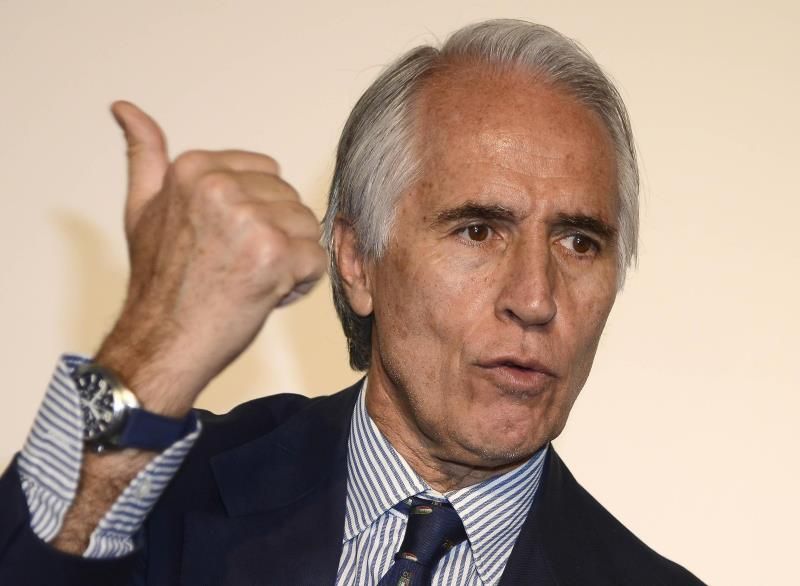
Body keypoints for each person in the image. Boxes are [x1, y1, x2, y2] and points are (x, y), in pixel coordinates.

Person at [0, 19, 705, 585]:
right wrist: (153, 349)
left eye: (579, 242)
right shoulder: (163, 492)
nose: (535, 298)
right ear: (358, 260)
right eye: (477, 230)